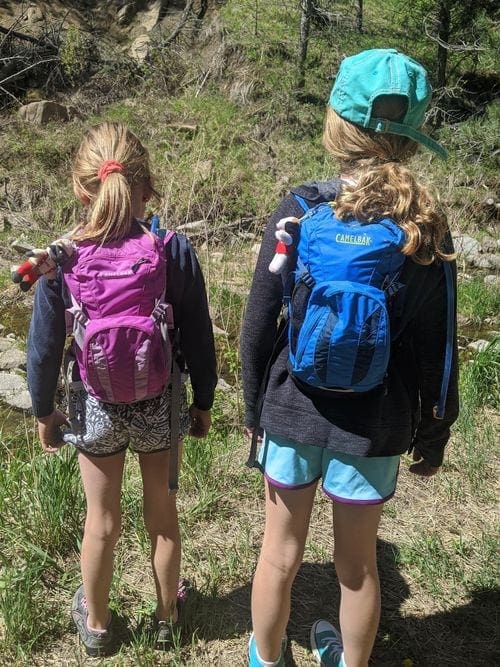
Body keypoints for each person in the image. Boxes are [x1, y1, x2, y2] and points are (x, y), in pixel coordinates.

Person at [241, 49, 459, 667]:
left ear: (336, 123)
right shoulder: (423, 227)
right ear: (411, 138)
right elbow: (436, 348)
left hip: (291, 409)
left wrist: (252, 409)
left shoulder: (299, 208)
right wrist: (434, 428)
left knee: (279, 553)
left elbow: (258, 325)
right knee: (358, 567)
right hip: (377, 425)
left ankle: (265, 656)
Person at [26, 122, 217, 657]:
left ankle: (99, 625)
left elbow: (43, 348)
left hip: (95, 405)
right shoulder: (170, 250)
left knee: (101, 521)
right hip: (159, 404)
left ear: (79, 189)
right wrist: (203, 402)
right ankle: (167, 616)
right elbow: (200, 338)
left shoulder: (61, 260)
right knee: (162, 515)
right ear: (147, 189)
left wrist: (46, 411)